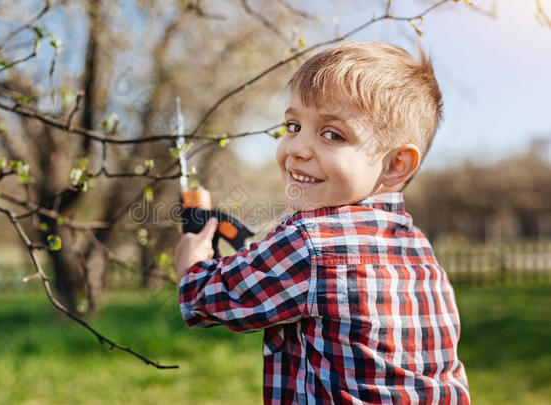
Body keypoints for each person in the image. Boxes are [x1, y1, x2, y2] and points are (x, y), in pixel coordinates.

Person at [174, 41, 470, 404]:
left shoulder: (308, 244)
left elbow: (206, 300)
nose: (297, 147)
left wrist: (192, 261)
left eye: (333, 134)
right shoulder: (418, 248)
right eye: (293, 125)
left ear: (396, 165)